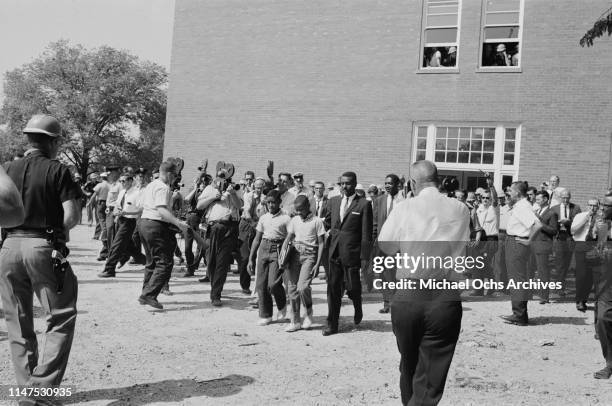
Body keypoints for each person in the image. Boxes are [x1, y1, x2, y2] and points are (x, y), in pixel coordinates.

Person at [0, 115, 81, 399]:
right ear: (54, 141)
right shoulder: (58, 170)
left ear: (28, 139)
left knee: (17, 322)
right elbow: (71, 216)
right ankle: (41, 390)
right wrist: (59, 231)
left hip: (9, 246)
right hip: (42, 246)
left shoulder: (7, 168)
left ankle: (26, 391)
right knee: (60, 316)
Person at [378, 160, 470, 406]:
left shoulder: (404, 207)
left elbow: (386, 245)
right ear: (438, 180)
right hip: (444, 296)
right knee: (431, 372)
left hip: (409, 293)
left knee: (408, 363)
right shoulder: (461, 209)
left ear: (411, 183)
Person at [322, 171, 372, 336]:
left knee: (353, 287)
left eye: (348, 183)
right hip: (334, 252)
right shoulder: (333, 201)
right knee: (333, 289)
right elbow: (327, 223)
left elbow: (366, 234)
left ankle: (357, 305)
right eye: (342, 183)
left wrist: (365, 257)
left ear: (355, 183)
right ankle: (332, 324)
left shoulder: (363, 204)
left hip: (352, 253)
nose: (344, 186)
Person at [138, 161, 188, 309]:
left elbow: (141, 204)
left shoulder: (151, 185)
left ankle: (146, 292)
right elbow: (161, 209)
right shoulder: (163, 187)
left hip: (144, 223)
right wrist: (178, 222)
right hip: (155, 225)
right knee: (165, 262)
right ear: (170, 174)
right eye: (175, 175)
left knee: (151, 262)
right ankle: (149, 295)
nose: (175, 178)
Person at [196, 168, 242, 306]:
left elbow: (240, 206)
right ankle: (213, 284)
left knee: (222, 262)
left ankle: (216, 294)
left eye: (225, 177)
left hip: (229, 227)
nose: (222, 179)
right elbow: (199, 206)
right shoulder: (210, 188)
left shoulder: (234, 188)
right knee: (211, 260)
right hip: (213, 227)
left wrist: (232, 194)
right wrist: (214, 197)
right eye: (220, 176)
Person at [501, 181, 543, 326]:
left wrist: (529, 241)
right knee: (517, 278)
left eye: (511, 191)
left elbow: (537, 225)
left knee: (517, 279)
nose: (509, 194)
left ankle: (519, 315)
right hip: (515, 242)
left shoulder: (522, 207)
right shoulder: (521, 205)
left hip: (517, 244)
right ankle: (519, 313)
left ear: (517, 193)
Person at [282, 195, 325, 332]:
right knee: (292, 289)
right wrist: (282, 255)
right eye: (296, 210)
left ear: (308, 207)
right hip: (294, 255)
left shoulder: (317, 221)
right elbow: (288, 237)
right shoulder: (294, 220)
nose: (298, 212)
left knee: (303, 287)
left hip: (309, 256)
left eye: (301, 210)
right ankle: (295, 321)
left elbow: (321, 243)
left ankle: (308, 314)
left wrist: (318, 264)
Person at [248, 190, 290, 325]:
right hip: (264, 248)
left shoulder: (286, 218)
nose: (271, 205)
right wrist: (251, 257)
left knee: (273, 284)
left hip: (278, 249)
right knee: (261, 284)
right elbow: (256, 239)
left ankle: (282, 307)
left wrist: (286, 254)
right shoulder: (264, 218)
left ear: (279, 203)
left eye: (274, 202)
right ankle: (265, 315)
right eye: (269, 203)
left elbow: (290, 238)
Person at [98, 174, 145, 277]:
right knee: (130, 247)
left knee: (116, 245)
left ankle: (109, 269)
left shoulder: (137, 193)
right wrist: (113, 212)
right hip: (119, 220)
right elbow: (118, 205)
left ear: (130, 181)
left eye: (124, 181)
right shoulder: (122, 192)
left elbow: (141, 210)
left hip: (129, 222)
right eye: (121, 181)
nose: (122, 183)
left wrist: (126, 213)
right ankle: (149, 262)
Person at [372, 174, 404, 313]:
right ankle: (387, 303)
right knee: (384, 273)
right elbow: (374, 223)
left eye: (390, 183)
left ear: (398, 185)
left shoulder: (405, 201)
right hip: (382, 244)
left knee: (397, 273)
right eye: (385, 183)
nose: (387, 186)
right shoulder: (379, 200)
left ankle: (396, 303)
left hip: (399, 244)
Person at [237, 178, 266, 293]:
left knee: (256, 256)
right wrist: (253, 224)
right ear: (254, 187)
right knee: (245, 256)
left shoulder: (265, 198)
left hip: (258, 225)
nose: (259, 190)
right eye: (257, 187)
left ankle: (259, 285)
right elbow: (247, 211)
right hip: (247, 225)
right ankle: (245, 285)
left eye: (261, 187)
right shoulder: (248, 196)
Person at [594, 194, 612, 379]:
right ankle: (609, 363)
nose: (602, 209)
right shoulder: (604, 226)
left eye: (605, 206)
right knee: (602, 319)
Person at [572, 198, 601, 312]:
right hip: (581, 245)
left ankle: (583, 300)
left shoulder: (601, 218)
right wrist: (586, 218)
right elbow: (573, 230)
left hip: (594, 247)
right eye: (590, 205)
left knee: (590, 277)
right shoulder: (580, 216)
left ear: (598, 207)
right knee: (581, 275)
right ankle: (578, 300)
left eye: (595, 206)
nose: (592, 208)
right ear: (587, 205)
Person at [551, 188, 581, 296]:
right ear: (560, 198)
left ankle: (561, 286)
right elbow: (551, 223)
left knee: (567, 263)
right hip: (559, 237)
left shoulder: (576, 208)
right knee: (559, 263)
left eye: (567, 197)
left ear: (570, 197)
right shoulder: (554, 208)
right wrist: (558, 224)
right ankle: (559, 287)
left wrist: (569, 222)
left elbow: (579, 223)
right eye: (563, 197)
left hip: (569, 237)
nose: (565, 199)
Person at [532, 191, 559, 304]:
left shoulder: (552, 213)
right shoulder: (538, 211)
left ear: (545, 199)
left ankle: (544, 296)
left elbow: (553, 230)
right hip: (533, 244)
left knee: (543, 272)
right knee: (532, 270)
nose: (536, 201)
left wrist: (540, 223)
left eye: (538, 199)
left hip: (543, 245)